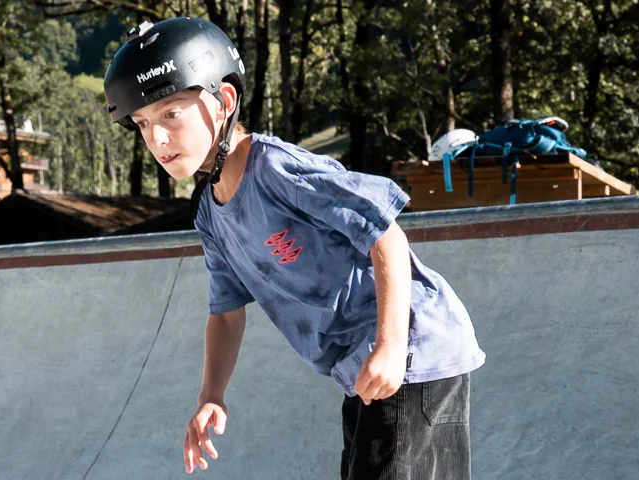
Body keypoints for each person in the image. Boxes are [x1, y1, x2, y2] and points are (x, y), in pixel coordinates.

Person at [102, 18, 486, 478]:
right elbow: (225, 312)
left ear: (223, 101)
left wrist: (390, 345)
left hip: (412, 351)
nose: (156, 139)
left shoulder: (274, 169)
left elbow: (386, 234)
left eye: (171, 114)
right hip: (360, 372)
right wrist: (211, 396)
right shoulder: (208, 211)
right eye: (143, 124)